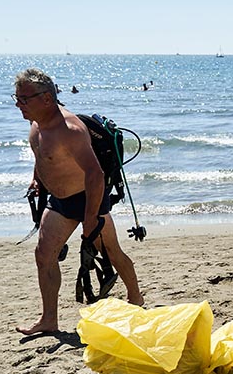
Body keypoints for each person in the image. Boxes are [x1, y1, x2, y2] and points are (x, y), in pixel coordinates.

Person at [13, 68, 143, 335]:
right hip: (58, 201)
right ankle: (49, 319)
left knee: (111, 253)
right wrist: (37, 179)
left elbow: (94, 174)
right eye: (16, 98)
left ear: (47, 98)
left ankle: (136, 299)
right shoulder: (35, 122)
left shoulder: (70, 130)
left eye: (24, 99)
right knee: (43, 255)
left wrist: (91, 217)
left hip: (86, 199)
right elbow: (42, 154)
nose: (18, 104)